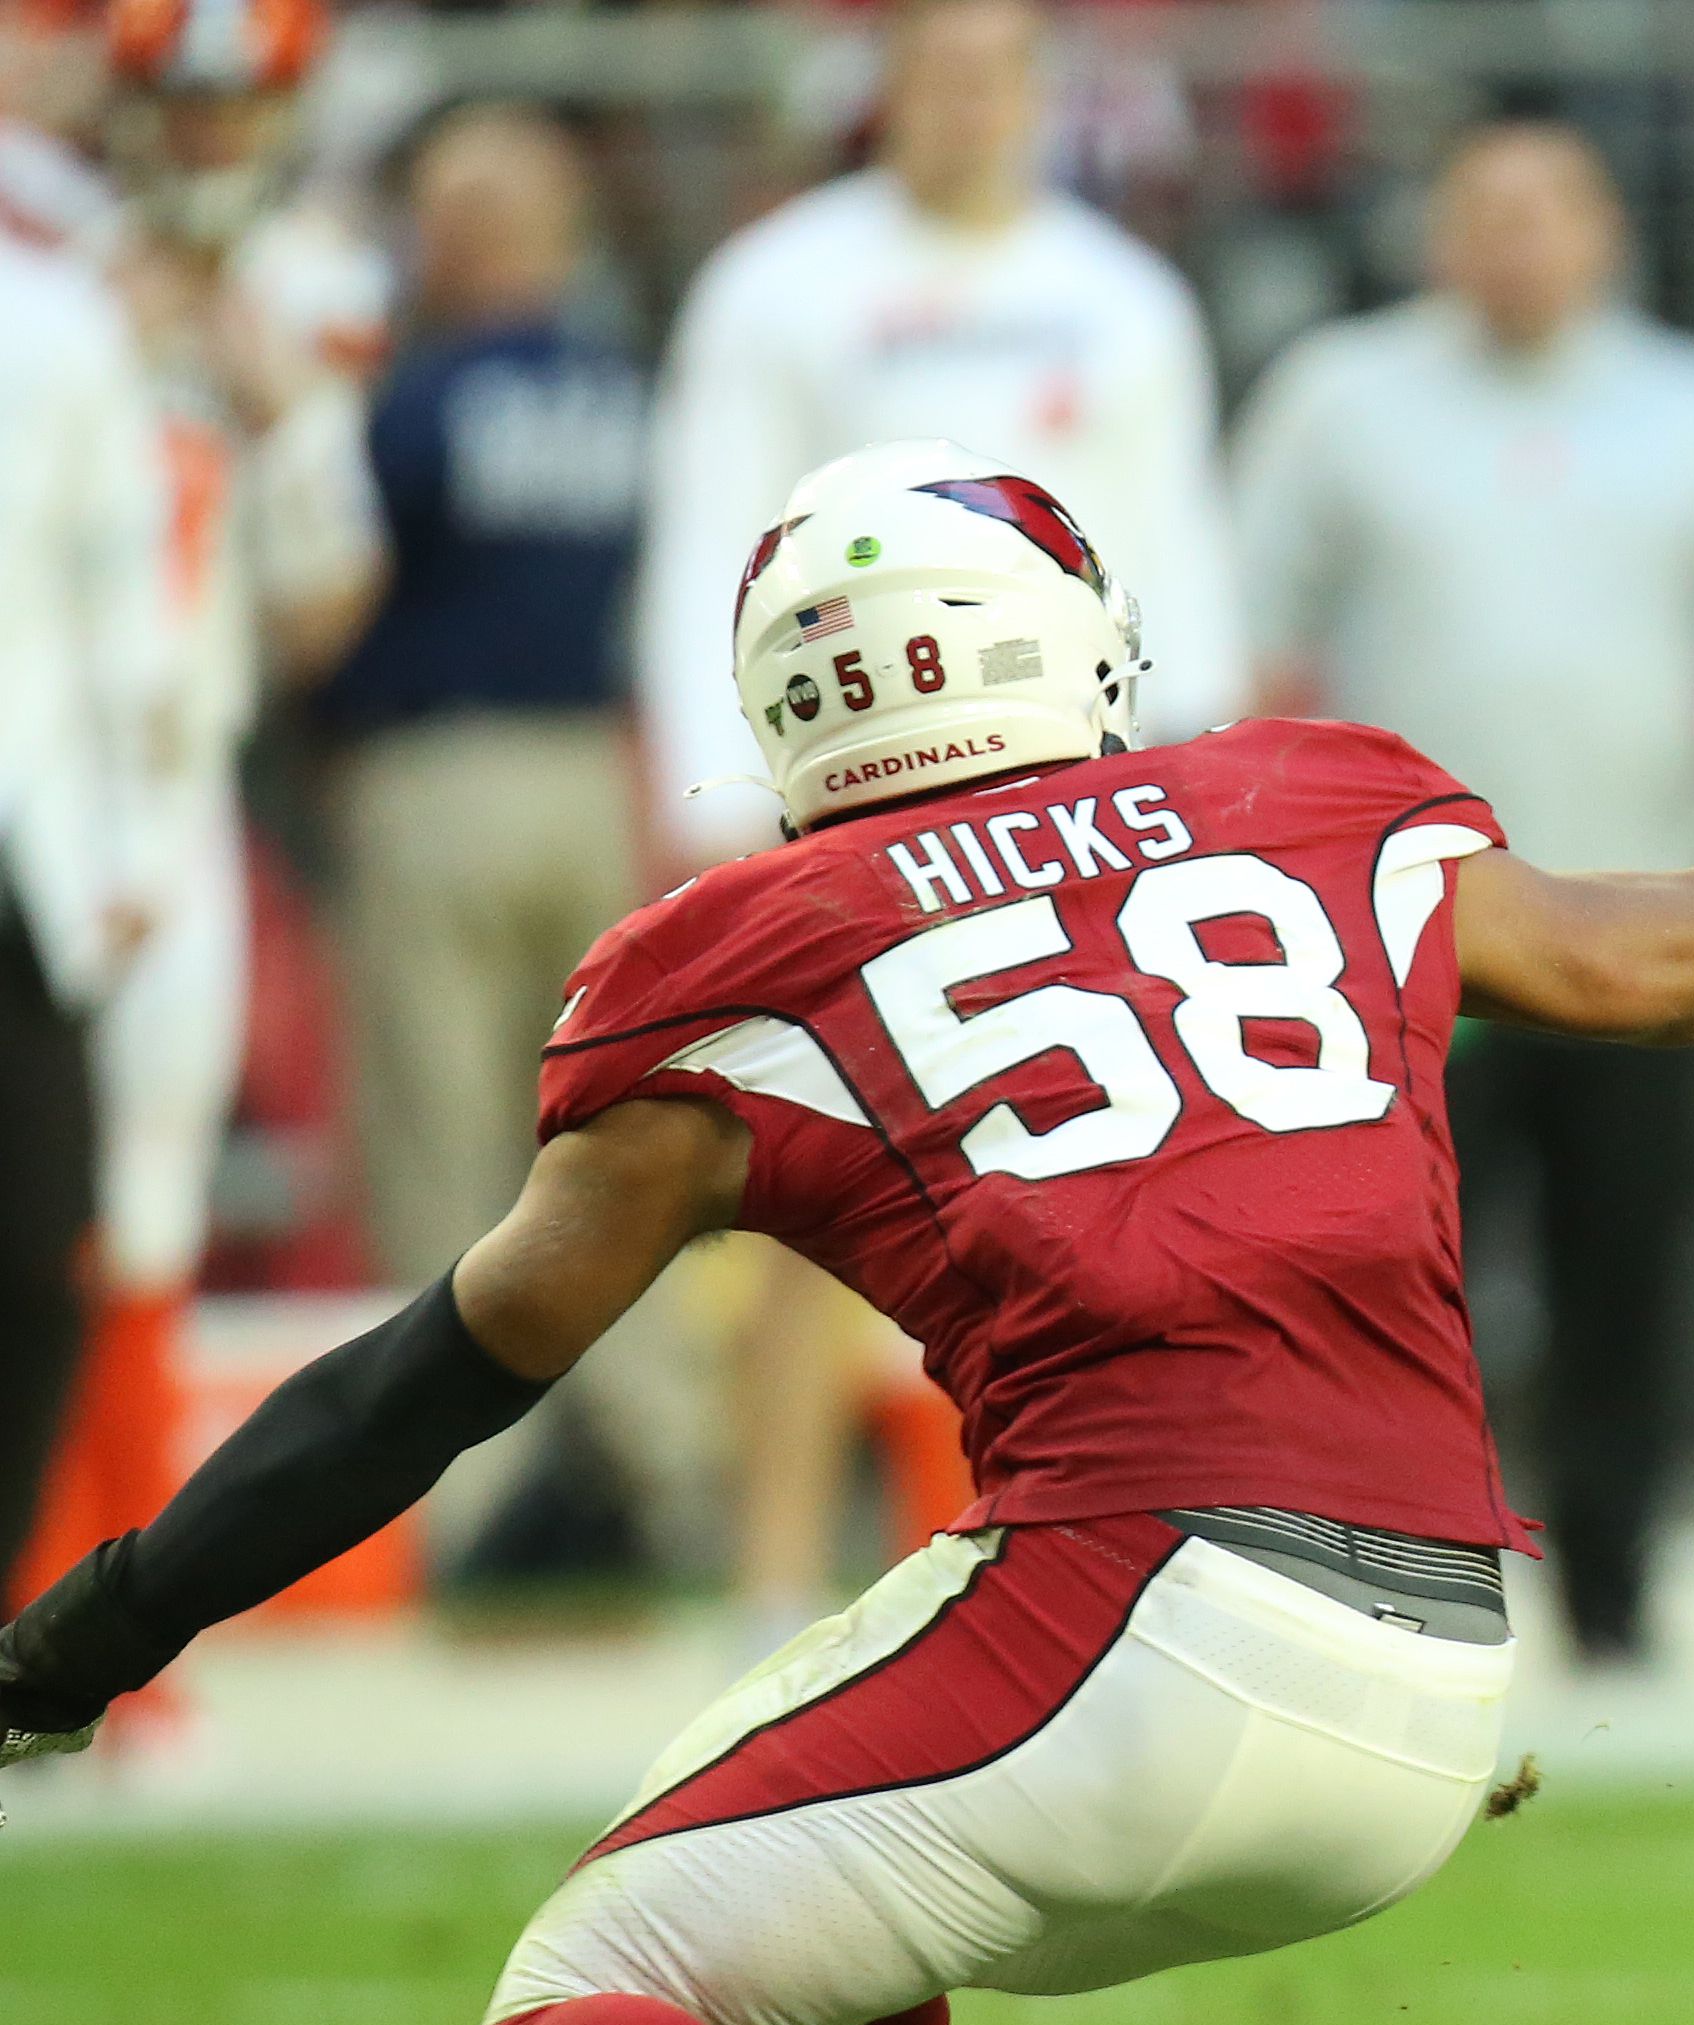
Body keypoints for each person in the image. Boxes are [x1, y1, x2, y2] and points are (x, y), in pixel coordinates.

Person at [0, 439, 1694, 2025]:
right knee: (844, 1950)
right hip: (1430, 1666)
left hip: (1128, 1620)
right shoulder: (1318, 806)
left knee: (576, 2017)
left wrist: (91, 1626)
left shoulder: (734, 962)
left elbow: (444, 1373)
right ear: (1078, 640)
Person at [635, 0, 1251, 1629]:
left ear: (1043, 96)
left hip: (1073, 796)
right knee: (798, 1169)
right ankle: (773, 1568)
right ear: (885, 91)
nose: (966, 103)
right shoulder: (779, 286)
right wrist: (705, 783)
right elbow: (710, 525)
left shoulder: (1119, 300)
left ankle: (1093, 1540)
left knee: (1093, 1170)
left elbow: (1172, 548)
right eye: (937, 71)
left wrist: (1191, 775)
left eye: (996, 73)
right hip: (844, 791)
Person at [1232, 118, 1694, 1663]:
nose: (1515, 243)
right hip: (1405, 937)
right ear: (1436, 233)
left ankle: (1617, 1595)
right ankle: (1397, 1590)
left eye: (1545, 211)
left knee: (1619, 1270)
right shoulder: (1338, 400)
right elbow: (1247, 647)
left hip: (1637, 920)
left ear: (1604, 234)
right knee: (1396, 1281)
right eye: (1483, 212)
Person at [10, 0, 384, 1621]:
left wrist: (279, 408)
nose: (210, 145)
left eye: (240, 112)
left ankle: (111, 1624)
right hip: (47, 776)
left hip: (180, 784)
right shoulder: (48, 264)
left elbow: (325, 607)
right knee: (50, 1202)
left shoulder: (304, 296)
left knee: (146, 1194)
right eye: (188, 106)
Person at [317, 104, 710, 1573]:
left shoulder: (410, 401)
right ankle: (667, 1468)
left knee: (438, 1149)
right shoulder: (626, 389)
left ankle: (447, 1505)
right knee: (621, 1138)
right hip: (590, 774)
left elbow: (335, 591)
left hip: (434, 771)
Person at [0, 233, 172, 1570]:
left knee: (36, 1249)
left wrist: (135, 829)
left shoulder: (53, 316)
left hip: (27, 842)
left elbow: (126, 583)